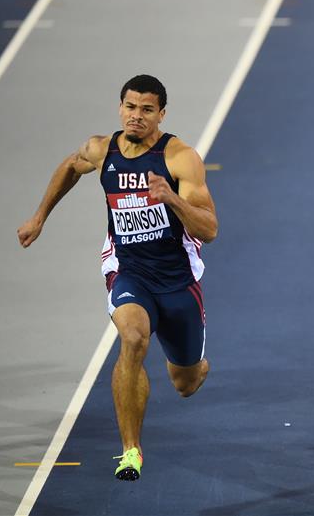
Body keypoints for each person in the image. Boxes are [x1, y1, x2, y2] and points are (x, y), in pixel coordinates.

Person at [17, 74, 218, 479]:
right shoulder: (101, 149)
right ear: (120, 108)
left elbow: (209, 229)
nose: (136, 116)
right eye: (130, 107)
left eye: (147, 110)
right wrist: (40, 216)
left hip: (177, 281)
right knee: (133, 337)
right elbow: (72, 166)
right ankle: (131, 451)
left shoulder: (180, 158)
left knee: (186, 382)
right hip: (129, 272)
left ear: (161, 114)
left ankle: (195, 363)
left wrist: (172, 198)